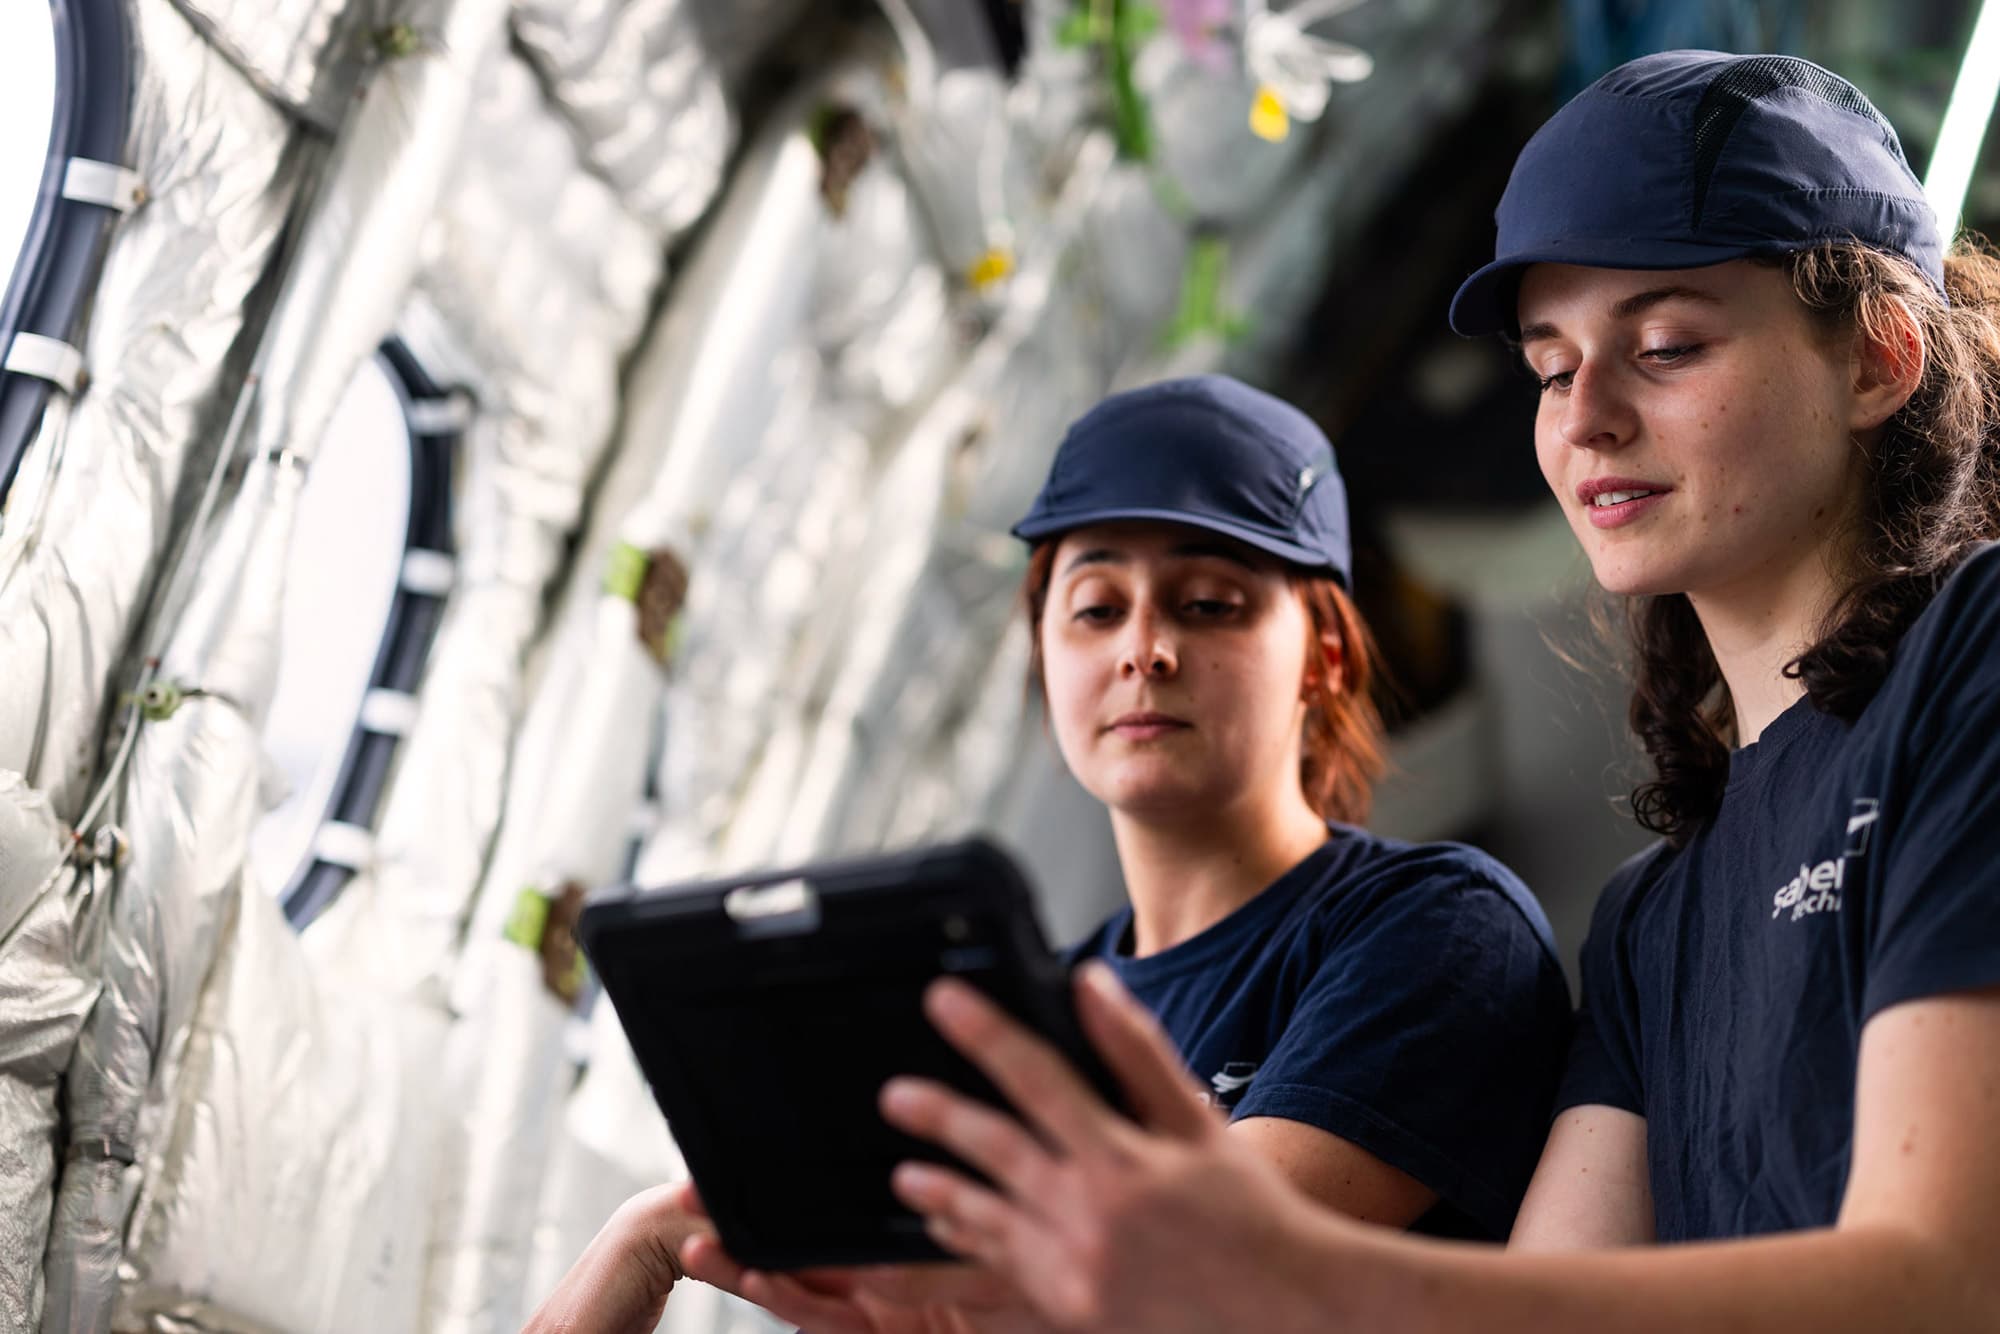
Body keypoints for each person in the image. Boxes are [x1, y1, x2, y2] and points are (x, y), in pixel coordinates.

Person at [828, 48, 2000, 1333]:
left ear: (1879, 358)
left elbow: (1940, 1277)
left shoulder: (1971, 659)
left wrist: (1259, 1262)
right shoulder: (1652, 917)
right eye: (1551, 368)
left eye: (1665, 345)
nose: (1584, 417)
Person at [524, 375, 1574, 1332]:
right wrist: (648, 1235)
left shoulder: (1433, 928)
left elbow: (1191, 1285)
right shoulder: (1021, 1016)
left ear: (1323, 654)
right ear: (1042, 653)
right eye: (1093, 607)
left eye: (1208, 603)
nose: (1142, 648)